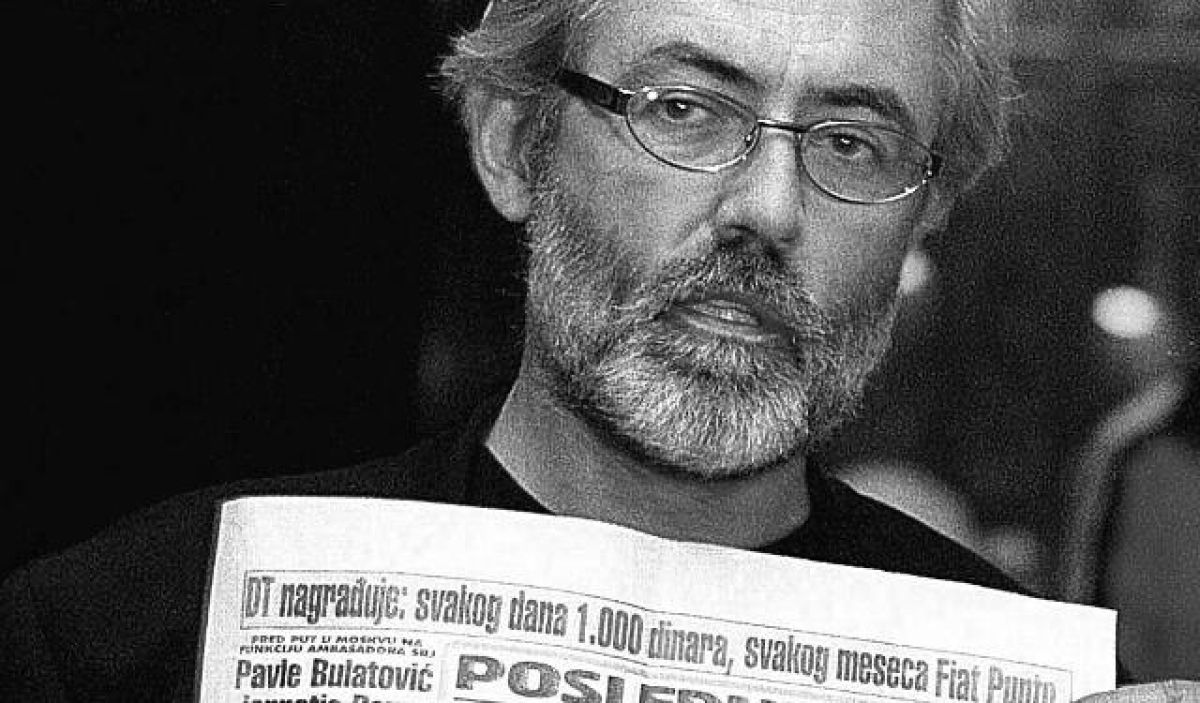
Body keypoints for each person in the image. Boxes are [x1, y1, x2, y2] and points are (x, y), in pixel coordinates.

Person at [1, 0, 1193, 700]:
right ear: (516, 148)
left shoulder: (1019, 686)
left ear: (924, 215)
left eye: (850, 142)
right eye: (685, 109)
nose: (769, 209)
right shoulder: (127, 640)